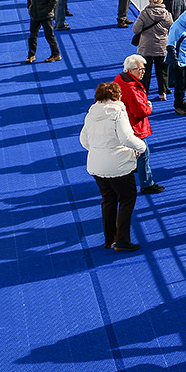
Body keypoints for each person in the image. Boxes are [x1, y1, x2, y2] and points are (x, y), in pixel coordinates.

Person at [80, 81, 146, 252]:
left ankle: (109, 239)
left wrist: (98, 150)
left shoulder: (91, 113)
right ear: (117, 95)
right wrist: (142, 147)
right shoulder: (118, 111)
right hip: (119, 166)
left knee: (108, 200)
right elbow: (126, 138)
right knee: (127, 198)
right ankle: (123, 240)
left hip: (96, 166)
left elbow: (84, 140)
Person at [115, 55, 162, 194]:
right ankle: (147, 184)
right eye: (140, 69)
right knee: (144, 153)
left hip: (126, 123)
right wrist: (149, 107)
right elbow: (140, 111)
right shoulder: (131, 89)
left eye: (143, 69)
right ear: (130, 70)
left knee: (135, 152)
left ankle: (136, 170)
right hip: (134, 126)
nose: (143, 72)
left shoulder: (121, 79)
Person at [132, 0, 174, 99]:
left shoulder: (144, 13)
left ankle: (144, 93)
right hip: (162, 47)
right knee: (162, 71)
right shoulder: (167, 14)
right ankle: (162, 92)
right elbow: (172, 28)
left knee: (145, 72)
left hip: (146, 47)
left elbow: (135, 29)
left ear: (150, 1)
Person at [25, 0, 61, 64]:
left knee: (49, 35)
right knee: (32, 35)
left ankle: (56, 54)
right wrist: (29, 6)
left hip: (45, 14)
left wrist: (48, 9)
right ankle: (31, 55)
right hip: (35, 13)